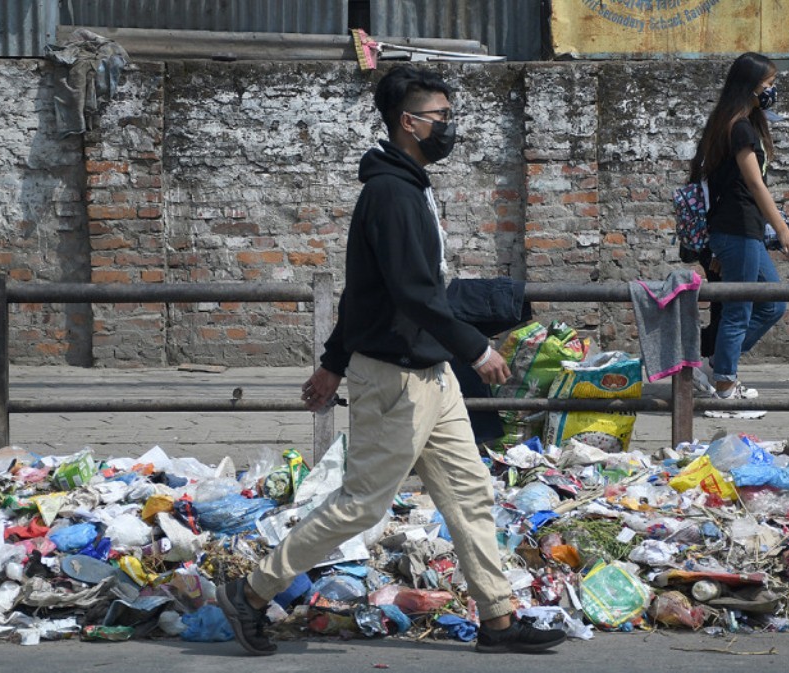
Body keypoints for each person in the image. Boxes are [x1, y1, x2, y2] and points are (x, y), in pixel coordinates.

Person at [216, 65, 566, 657]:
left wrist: (330, 362)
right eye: (441, 117)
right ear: (409, 123)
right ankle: (250, 592)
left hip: (431, 375)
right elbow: (410, 294)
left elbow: (364, 290)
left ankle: (498, 620)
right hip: (397, 380)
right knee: (361, 505)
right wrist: (475, 347)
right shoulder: (390, 193)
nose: (448, 128)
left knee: (470, 493)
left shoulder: (410, 186)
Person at [688, 53, 789, 400]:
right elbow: (755, 185)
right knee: (739, 310)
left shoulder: (740, 123)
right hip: (738, 230)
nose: (771, 91)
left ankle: (716, 365)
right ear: (749, 87)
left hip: (743, 233)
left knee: (773, 305)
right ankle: (725, 384)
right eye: (767, 85)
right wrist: (783, 230)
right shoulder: (737, 128)